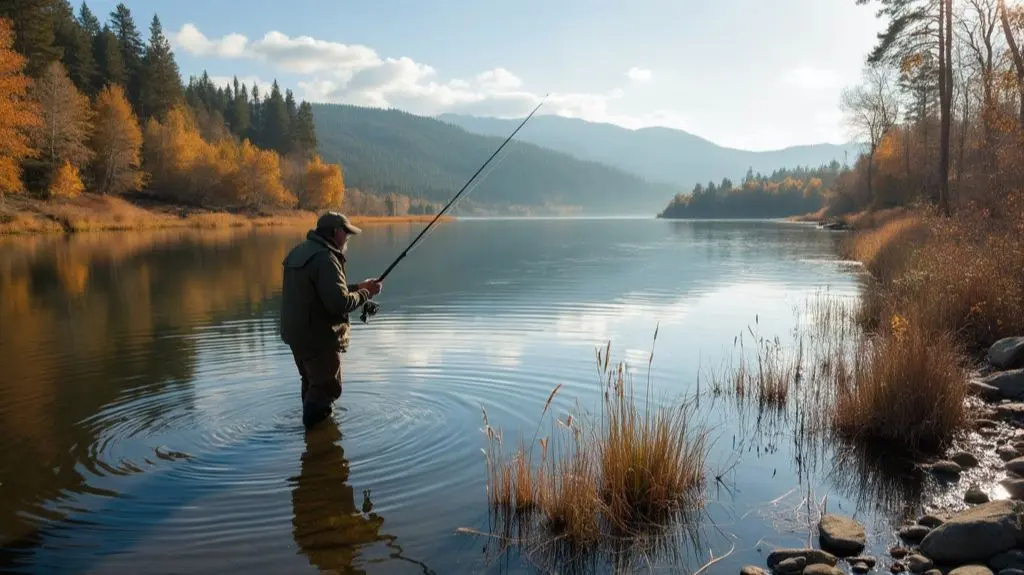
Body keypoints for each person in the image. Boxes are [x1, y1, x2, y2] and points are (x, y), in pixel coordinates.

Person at [280, 211, 382, 428]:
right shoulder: (325, 258)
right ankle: (319, 441)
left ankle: (312, 441)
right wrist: (367, 294)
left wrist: (359, 287)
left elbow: (321, 292)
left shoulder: (300, 251)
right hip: (317, 336)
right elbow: (338, 303)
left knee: (311, 384)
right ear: (336, 232)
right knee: (327, 386)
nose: (347, 239)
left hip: (297, 334)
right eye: (346, 233)